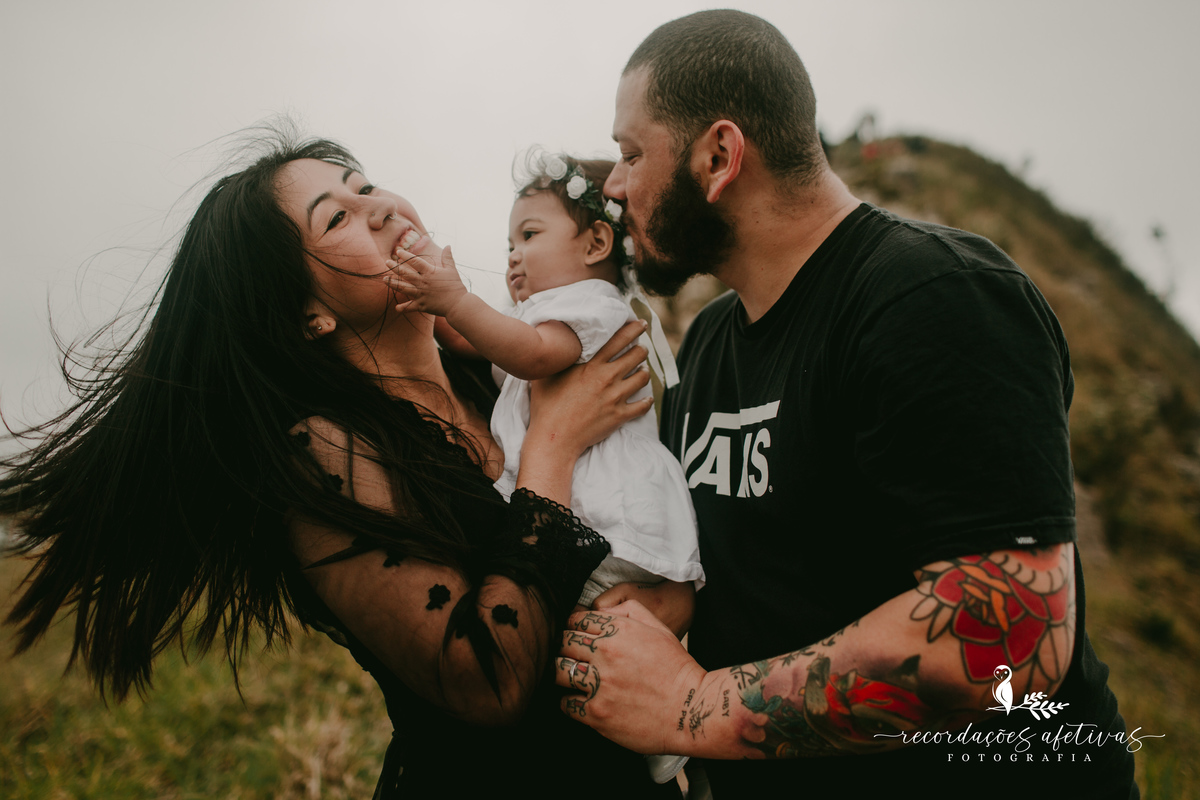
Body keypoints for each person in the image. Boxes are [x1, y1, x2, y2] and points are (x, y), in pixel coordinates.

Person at [553, 10, 1139, 799]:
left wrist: (694, 707)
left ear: (720, 155)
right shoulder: (714, 342)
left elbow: (1008, 636)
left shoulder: (932, 297)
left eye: (630, 154)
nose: (614, 186)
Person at [0, 131, 683, 799]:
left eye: (365, 187)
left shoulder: (497, 379)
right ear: (308, 314)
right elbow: (487, 680)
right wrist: (553, 452)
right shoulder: (325, 451)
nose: (378, 206)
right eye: (337, 217)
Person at [386, 151, 705, 784]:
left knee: (594, 626)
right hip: (583, 501)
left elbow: (528, 353)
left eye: (529, 235)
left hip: (605, 509)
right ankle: (656, 747)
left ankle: (663, 744)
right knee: (593, 635)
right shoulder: (553, 312)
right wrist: (446, 317)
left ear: (596, 242)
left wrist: (454, 301)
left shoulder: (592, 304)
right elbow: (495, 348)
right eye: (508, 241)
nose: (512, 255)